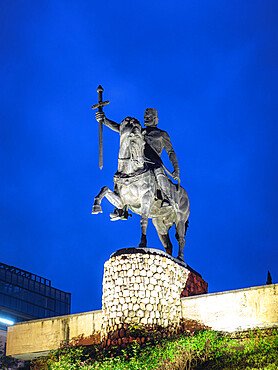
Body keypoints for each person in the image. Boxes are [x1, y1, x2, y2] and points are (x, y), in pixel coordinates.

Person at [95, 108, 180, 219]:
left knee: (158, 173)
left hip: (154, 163)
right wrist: (104, 120)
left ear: (155, 119)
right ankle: (121, 208)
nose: (146, 119)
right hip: (139, 161)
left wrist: (176, 169)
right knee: (124, 173)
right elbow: (119, 128)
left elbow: (171, 152)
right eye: (145, 117)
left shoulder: (161, 134)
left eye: (149, 117)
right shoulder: (139, 131)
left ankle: (166, 198)